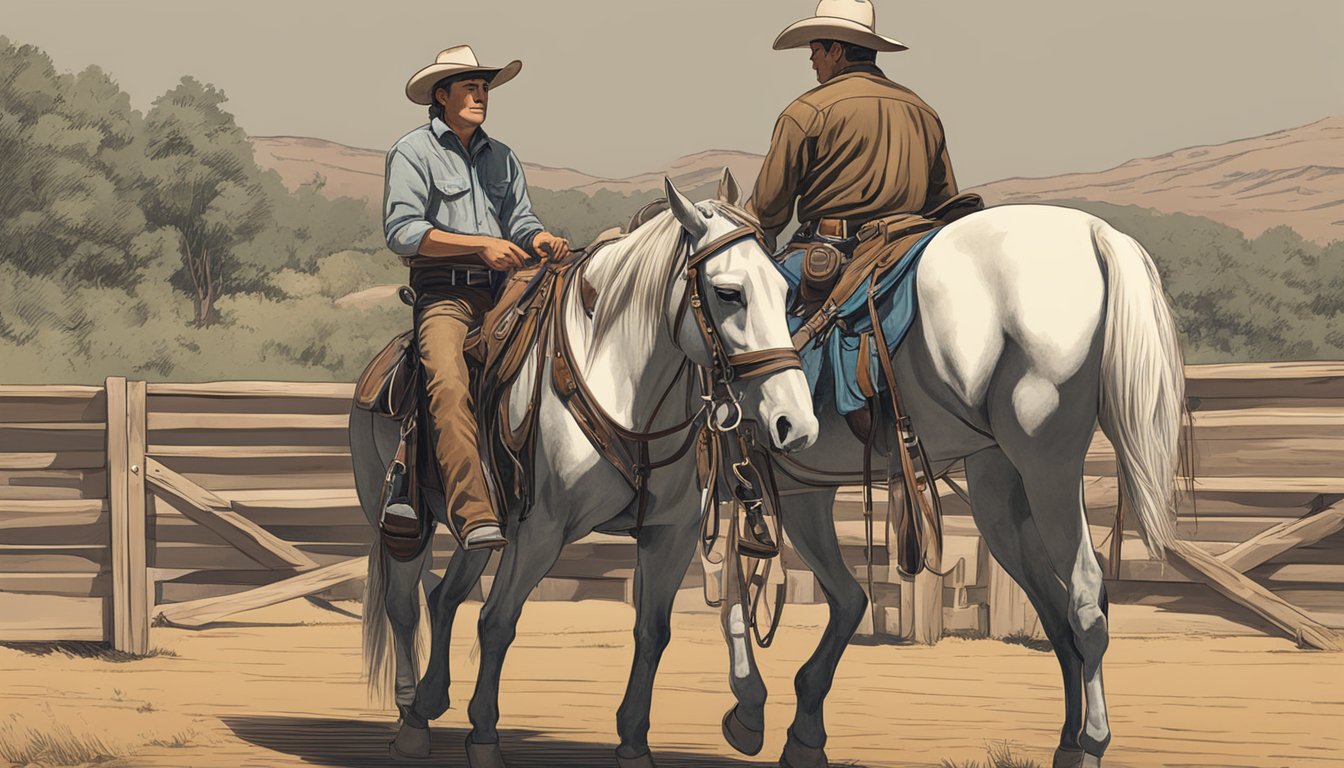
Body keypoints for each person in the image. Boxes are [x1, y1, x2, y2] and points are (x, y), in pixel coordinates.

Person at [383, 45, 569, 550]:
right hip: (445, 295)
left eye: (485, 87)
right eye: (470, 87)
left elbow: (520, 220)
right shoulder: (412, 152)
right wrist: (479, 245)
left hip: (505, 292)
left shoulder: (502, 156)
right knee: (446, 382)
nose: (481, 96)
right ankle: (471, 512)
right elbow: (402, 231)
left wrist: (539, 239)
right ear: (441, 96)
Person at [749, 0, 959, 251]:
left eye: (815, 51)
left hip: (830, 248)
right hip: (909, 249)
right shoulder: (924, 112)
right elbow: (944, 201)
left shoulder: (806, 111)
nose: (812, 62)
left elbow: (767, 208)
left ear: (835, 51)